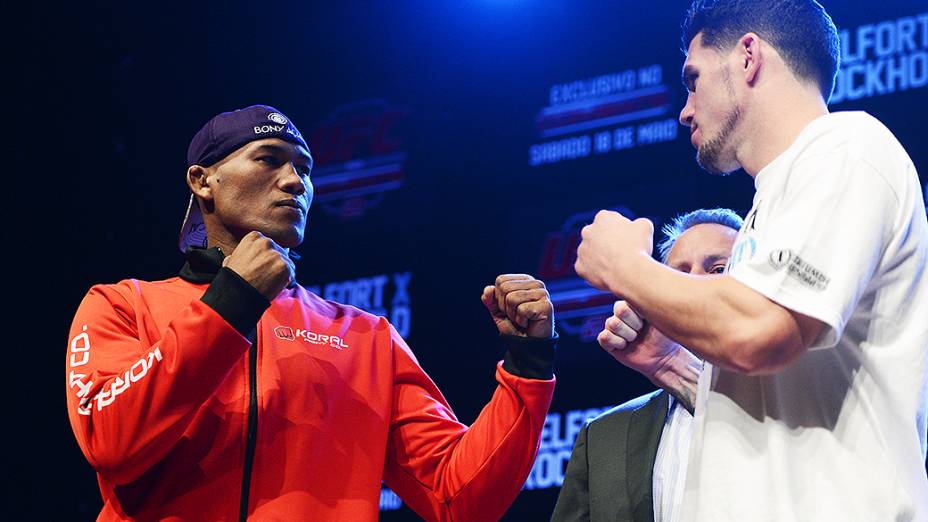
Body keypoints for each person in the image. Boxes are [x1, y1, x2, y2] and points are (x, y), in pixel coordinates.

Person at [65, 105, 559, 521]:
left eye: (304, 169)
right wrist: (231, 303)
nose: (294, 182)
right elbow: (111, 441)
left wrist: (528, 365)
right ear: (203, 180)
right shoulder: (122, 305)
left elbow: (459, 496)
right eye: (269, 159)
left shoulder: (367, 337)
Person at [574, 1, 928, 520]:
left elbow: (761, 329)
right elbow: (786, 412)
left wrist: (624, 265)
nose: (685, 109)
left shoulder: (847, 148)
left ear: (747, 58)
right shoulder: (772, 210)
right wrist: (672, 362)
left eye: (692, 80)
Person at [551, 208, 741, 522]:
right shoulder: (604, 438)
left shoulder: (801, 395)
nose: (692, 283)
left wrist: (670, 365)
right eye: (676, 273)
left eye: (717, 268)